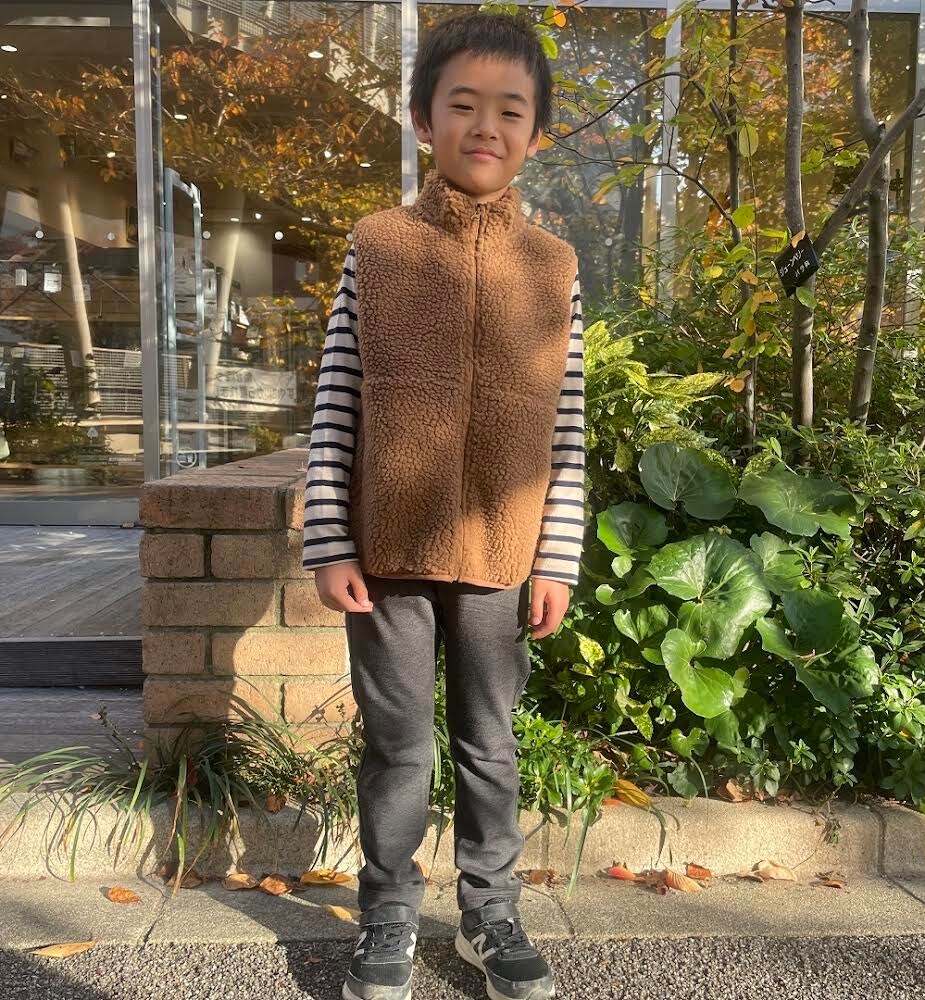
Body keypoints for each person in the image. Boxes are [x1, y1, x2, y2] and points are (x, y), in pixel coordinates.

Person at [303, 10, 586, 1000]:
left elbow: (569, 426)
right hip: (386, 550)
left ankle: (489, 914)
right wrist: (329, 539)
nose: (485, 125)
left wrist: (556, 558)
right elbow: (337, 400)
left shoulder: (553, 266)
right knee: (397, 745)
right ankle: (386, 914)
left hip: (505, 554)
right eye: (462, 104)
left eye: (510, 109)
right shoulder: (377, 246)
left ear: (535, 132)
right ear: (425, 120)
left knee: (489, 744)